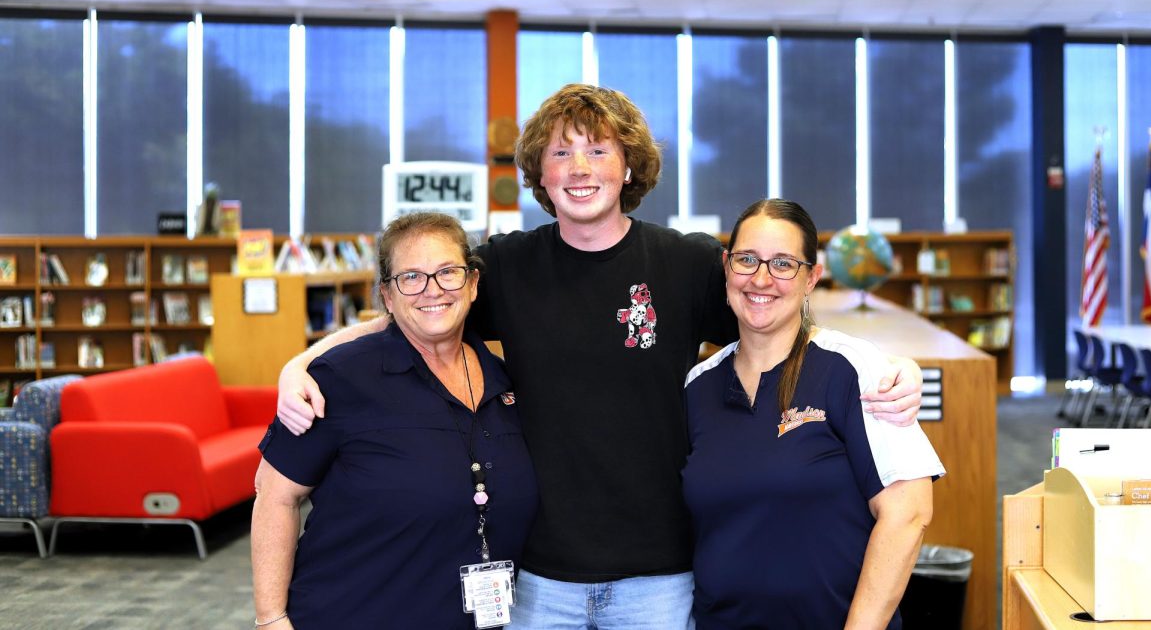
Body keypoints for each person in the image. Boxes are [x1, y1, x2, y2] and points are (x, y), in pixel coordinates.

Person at [275, 84, 926, 628]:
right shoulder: (506, 265)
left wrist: (890, 363)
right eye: (561, 153)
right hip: (538, 576)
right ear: (540, 173)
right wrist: (302, 362)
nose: (580, 168)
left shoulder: (688, 263)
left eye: (597, 149)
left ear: (628, 165)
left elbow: (779, 307)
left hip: (660, 576)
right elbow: (412, 309)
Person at [251, 213, 538, 628]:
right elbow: (275, 494)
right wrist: (270, 618)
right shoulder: (340, 378)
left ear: (473, 284)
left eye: (447, 272)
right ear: (388, 296)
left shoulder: (504, 381)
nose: (432, 290)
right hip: (351, 615)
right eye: (411, 278)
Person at [683, 199, 942, 629]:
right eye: (747, 260)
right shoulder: (698, 386)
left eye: (783, 263)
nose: (761, 278)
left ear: (811, 279)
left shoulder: (851, 368)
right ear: (727, 268)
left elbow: (908, 513)